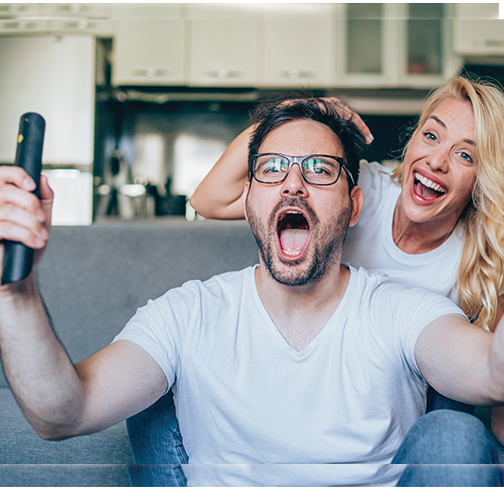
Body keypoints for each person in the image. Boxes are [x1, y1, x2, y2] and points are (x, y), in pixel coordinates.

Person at [0, 99, 503, 487]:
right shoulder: (186, 312)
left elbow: (489, 372)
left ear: (354, 206)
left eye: (319, 169)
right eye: (272, 168)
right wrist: (16, 290)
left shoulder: (403, 308)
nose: (293, 184)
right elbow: (61, 412)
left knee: (455, 429)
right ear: (249, 200)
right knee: (153, 403)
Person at [190, 75, 504, 445]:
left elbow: (494, 394)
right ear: (413, 138)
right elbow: (208, 200)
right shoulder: (359, 188)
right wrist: (294, 113)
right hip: (321, 376)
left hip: (402, 414)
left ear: (482, 177)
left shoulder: (484, 259)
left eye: (465, 154)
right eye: (431, 136)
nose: (437, 161)